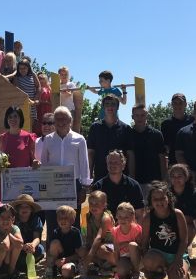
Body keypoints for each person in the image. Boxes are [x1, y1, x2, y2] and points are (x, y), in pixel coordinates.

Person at [40, 106, 92, 235]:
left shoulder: (80, 139)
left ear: (70, 120)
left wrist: (84, 187)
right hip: (52, 186)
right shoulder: (48, 139)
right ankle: (53, 245)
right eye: (58, 118)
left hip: (73, 185)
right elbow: (44, 163)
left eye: (64, 118)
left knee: (72, 220)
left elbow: (84, 164)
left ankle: (74, 246)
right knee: (53, 220)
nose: (61, 121)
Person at [140, 183, 190, 279]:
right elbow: (144, 241)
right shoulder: (148, 217)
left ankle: (185, 273)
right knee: (149, 264)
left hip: (177, 255)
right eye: (155, 199)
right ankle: (160, 272)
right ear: (151, 201)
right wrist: (146, 263)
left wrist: (177, 260)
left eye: (162, 198)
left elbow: (184, 241)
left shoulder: (177, 214)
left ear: (169, 198)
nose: (159, 202)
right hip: (157, 254)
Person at [87, 95, 135, 182]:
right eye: (107, 104)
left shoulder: (126, 129)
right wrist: (89, 176)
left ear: (118, 107)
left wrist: (132, 177)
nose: (110, 107)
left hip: (121, 179)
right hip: (100, 177)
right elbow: (90, 153)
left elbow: (130, 155)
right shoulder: (95, 127)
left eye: (113, 104)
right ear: (103, 107)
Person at [91, 150, 145, 217]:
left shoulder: (134, 186)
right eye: (110, 162)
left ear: (123, 165)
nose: (112, 165)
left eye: (116, 162)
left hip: (128, 222)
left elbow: (139, 213)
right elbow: (93, 214)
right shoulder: (98, 186)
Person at [78, 190, 115, 275]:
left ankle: (113, 265)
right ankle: (101, 265)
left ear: (104, 205)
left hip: (110, 245)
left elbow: (99, 238)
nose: (93, 206)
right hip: (97, 245)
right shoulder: (89, 216)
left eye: (97, 204)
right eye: (91, 203)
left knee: (100, 250)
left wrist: (88, 258)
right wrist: (85, 251)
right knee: (81, 250)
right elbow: (89, 236)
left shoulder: (106, 218)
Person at [129, 103, 167, 184]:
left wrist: (164, 180)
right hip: (135, 182)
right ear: (132, 117)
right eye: (137, 115)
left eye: (142, 115)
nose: (140, 118)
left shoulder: (156, 134)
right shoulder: (128, 135)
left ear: (147, 116)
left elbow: (162, 159)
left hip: (155, 182)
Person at [167, 163, 196, 250]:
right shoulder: (166, 193)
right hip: (167, 224)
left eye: (179, 176)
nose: (176, 179)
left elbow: (192, 217)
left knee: (190, 228)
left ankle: (183, 250)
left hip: (185, 225)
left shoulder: (194, 194)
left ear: (186, 177)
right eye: (173, 176)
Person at [43, 205, 82, 279]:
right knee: (55, 243)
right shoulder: (55, 232)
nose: (62, 220)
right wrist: (48, 260)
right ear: (57, 220)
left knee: (66, 272)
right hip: (58, 260)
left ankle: (72, 270)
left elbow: (79, 254)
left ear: (72, 220)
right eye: (60, 218)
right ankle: (52, 268)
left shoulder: (75, 232)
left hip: (70, 260)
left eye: (66, 218)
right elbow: (50, 250)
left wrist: (66, 260)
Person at [10, 194, 44, 273]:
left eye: (27, 207)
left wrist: (32, 245)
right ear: (17, 209)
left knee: (40, 249)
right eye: (21, 207)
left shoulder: (36, 219)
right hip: (16, 246)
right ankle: (13, 266)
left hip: (30, 247)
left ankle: (25, 264)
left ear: (31, 209)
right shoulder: (12, 220)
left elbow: (37, 237)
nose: (24, 209)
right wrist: (21, 246)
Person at [112, 202, 143, 279]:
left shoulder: (136, 229)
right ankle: (127, 274)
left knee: (132, 245)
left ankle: (137, 273)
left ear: (132, 217)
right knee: (121, 272)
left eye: (126, 217)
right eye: (120, 217)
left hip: (137, 257)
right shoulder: (115, 231)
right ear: (116, 216)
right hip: (124, 257)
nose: (122, 219)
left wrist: (126, 244)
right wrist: (118, 266)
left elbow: (140, 247)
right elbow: (116, 250)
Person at [160, 93, 194, 165]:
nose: (178, 105)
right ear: (171, 105)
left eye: (180, 103)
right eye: (175, 103)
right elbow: (165, 147)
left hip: (192, 162)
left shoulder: (193, 121)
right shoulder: (166, 124)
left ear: (185, 104)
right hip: (174, 163)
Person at [5, 58, 40, 125]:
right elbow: (18, 90)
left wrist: (35, 99)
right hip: (21, 105)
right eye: (20, 68)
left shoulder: (33, 75)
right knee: (21, 125)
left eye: (24, 68)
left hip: (32, 105)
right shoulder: (16, 77)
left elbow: (38, 87)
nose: (22, 70)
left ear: (28, 68)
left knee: (30, 126)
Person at [57, 66, 80, 131]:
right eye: (62, 74)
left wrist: (62, 91)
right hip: (59, 109)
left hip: (69, 109)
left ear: (68, 75)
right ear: (59, 75)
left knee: (69, 127)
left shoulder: (70, 84)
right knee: (60, 127)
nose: (64, 76)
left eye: (66, 74)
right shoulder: (57, 85)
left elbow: (69, 94)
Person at [35, 72, 53, 137]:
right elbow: (37, 99)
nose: (41, 81)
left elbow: (52, 100)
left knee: (49, 121)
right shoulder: (38, 89)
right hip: (40, 109)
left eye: (43, 79)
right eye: (40, 79)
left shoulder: (49, 89)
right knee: (41, 122)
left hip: (48, 109)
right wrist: (45, 102)